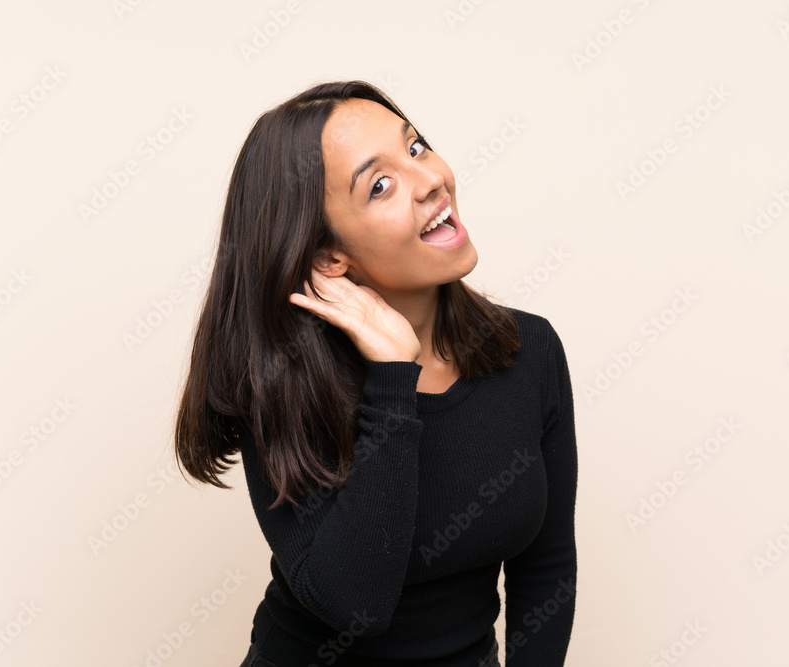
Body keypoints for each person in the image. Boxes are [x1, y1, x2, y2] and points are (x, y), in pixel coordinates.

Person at [174, 80, 578, 666]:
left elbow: (547, 566)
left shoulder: (529, 350)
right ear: (329, 258)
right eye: (380, 185)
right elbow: (356, 606)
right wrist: (393, 380)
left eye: (416, 148)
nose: (430, 180)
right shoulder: (284, 383)